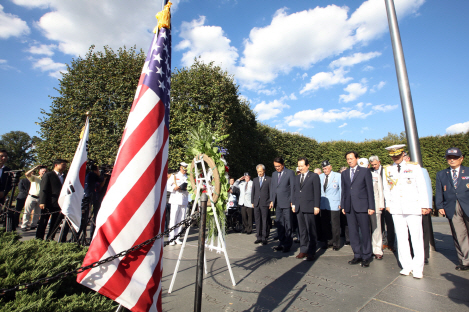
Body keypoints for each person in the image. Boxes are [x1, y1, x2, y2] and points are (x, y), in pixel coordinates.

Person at [383, 144, 429, 279]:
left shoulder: (414, 167)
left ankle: (418, 267)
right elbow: (387, 188)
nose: (395, 158)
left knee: (416, 238)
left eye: (397, 155)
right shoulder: (388, 169)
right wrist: (388, 204)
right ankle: (406, 265)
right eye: (393, 156)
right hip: (397, 208)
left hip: (413, 206)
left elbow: (421, 186)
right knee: (402, 238)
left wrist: (424, 205)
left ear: (403, 154)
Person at [435, 147, 469, 271]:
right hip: (451, 206)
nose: (452, 160)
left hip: (467, 205)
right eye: (450, 157)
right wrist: (439, 206)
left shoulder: (468, 171)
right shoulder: (442, 174)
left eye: (455, 158)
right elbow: (439, 191)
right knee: (459, 235)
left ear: (461, 158)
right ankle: (465, 261)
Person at [340, 151, 375, 267]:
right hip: (349, 206)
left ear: (357, 158)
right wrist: (343, 206)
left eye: (351, 158)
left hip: (362, 206)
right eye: (347, 159)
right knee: (353, 232)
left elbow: (370, 190)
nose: (349, 160)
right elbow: (344, 191)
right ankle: (357, 255)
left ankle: (366, 255)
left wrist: (371, 206)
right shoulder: (344, 174)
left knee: (365, 231)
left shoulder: (364, 171)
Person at [404, 152, 434, 264]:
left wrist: (427, 205)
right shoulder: (396, 171)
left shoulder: (421, 170)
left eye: (404, 158)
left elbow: (427, 188)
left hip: (419, 207)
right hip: (405, 207)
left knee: (423, 231)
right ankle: (411, 253)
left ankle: (424, 255)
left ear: (408, 158)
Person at [292, 157, 321, 261]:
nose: (300, 168)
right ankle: (303, 250)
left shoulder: (313, 176)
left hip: (309, 207)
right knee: (302, 230)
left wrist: (317, 206)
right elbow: (294, 191)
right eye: (299, 166)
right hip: (299, 207)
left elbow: (317, 192)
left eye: (302, 166)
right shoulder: (297, 177)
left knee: (311, 230)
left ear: (307, 166)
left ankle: (311, 252)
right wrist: (294, 204)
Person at [36, 159, 68, 240]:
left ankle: (50, 238)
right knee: (43, 222)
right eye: (63, 164)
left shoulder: (65, 176)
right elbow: (44, 188)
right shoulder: (48, 175)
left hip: (59, 203)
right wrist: (42, 201)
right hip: (48, 202)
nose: (64, 166)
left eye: (65, 164)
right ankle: (39, 238)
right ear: (56, 165)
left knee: (55, 222)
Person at [370, 155, 396, 252]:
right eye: (372, 165)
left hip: (387, 201)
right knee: (379, 224)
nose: (374, 166)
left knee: (390, 223)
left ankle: (391, 243)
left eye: (375, 164)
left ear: (379, 162)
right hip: (378, 203)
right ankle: (383, 243)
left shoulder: (386, 170)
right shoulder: (371, 172)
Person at [270, 156, 295, 253]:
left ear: (283, 164)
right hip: (278, 203)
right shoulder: (274, 174)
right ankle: (281, 242)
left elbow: (293, 188)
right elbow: (273, 188)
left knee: (288, 224)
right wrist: (272, 200)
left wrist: (292, 201)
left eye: (278, 166)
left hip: (287, 202)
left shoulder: (290, 173)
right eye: (275, 166)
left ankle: (288, 245)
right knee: (280, 224)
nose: (277, 168)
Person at [319, 160, 342, 250]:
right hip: (323, 203)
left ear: (330, 167)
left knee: (335, 225)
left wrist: (341, 202)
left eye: (326, 168)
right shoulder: (320, 177)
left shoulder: (338, 176)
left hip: (334, 203)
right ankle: (328, 241)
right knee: (325, 224)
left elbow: (341, 190)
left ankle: (336, 243)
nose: (325, 170)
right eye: (323, 169)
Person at [367, 156, 385, 260]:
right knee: (366, 229)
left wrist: (381, 204)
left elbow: (380, 191)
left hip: (376, 205)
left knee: (377, 228)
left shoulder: (376, 175)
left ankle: (378, 249)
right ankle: (368, 248)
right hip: (364, 206)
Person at [167, 162, 189, 245]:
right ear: (180, 168)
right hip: (175, 199)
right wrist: (174, 187)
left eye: (186, 170)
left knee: (181, 219)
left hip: (184, 199)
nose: (185, 171)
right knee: (173, 219)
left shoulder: (187, 177)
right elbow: (167, 186)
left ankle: (177, 237)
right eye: (184, 169)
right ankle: (171, 237)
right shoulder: (174, 176)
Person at [21, 165, 47, 231]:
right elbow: (27, 174)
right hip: (32, 196)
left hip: (40, 198)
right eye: (42, 171)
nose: (44, 172)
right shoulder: (35, 178)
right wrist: (35, 168)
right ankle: (24, 225)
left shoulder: (46, 180)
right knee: (27, 212)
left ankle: (34, 225)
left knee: (37, 213)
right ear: (39, 172)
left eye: (45, 171)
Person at [251, 165, 271, 245]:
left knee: (265, 220)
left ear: (264, 170)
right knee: (257, 220)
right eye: (258, 171)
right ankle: (258, 237)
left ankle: (264, 237)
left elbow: (271, 191)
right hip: (256, 203)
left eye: (261, 171)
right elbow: (253, 191)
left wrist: (270, 201)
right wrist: (252, 201)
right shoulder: (255, 180)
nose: (259, 173)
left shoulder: (269, 179)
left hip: (265, 202)